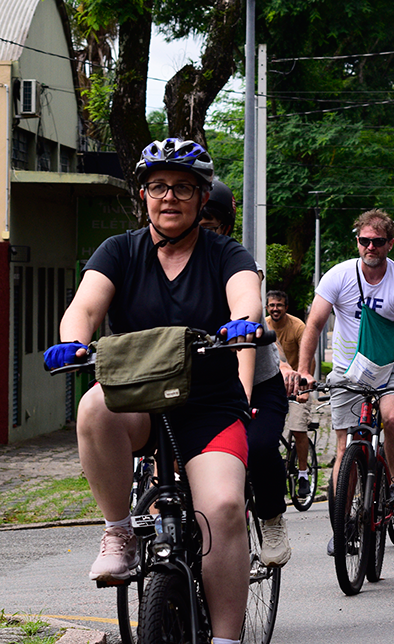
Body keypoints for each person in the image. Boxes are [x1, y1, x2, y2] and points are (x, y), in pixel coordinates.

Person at [44, 139, 262, 644]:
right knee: (94, 403)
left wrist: (243, 322)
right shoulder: (119, 251)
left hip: (210, 410)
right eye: (158, 186)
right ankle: (118, 530)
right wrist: (73, 341)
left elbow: (245, 295)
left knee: (223, 508)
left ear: (202, 197)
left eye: (183, 188)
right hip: (139, 402)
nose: (169, 197)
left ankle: (226, 639)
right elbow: (85, 306)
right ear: (143, 194)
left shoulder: (226, 253)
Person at [296, 209, 394, 555]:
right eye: (365, 241)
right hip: (347, 374)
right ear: (357, 242)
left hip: (389, 369)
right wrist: (305, 370)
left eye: (378, 241)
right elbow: (314, 324)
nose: (371, 247)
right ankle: (342, 526)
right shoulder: (338, 276)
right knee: (344, 448)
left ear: (389, 243)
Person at [199, 180, 294, 566]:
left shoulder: (236, 265)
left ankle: (271, 517)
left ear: (225, 227)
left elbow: (246, 338)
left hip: (257, 384)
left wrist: (238, 405)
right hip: (196, 386)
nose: (199, 232)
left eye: (209, 225)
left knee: (255, 447)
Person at [266, 288, 316, 500]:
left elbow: (309, 357)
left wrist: (305, 387)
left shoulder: (297, 326)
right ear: (266, 307)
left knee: (298, 428)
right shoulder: (263, 325)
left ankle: (303, 474)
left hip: (297, 387)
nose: (275, 308)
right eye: (272, 305)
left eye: (279, 305)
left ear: (286, 307)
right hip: (271, 387)